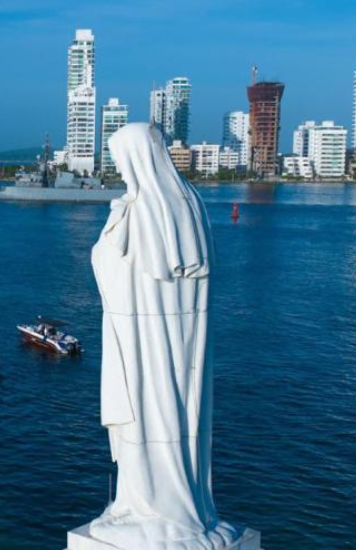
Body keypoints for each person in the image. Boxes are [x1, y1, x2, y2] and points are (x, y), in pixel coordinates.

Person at [88, 123, 241, 550]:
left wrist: (110, 235)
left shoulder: (141, 211)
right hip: (182, 342)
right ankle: (158, 503)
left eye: (121, 163)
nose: (120, 173)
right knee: (175, 420)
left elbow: (122, 270)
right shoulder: (188, 205)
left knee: (147, 416)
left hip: (145, 342)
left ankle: (154, 510)